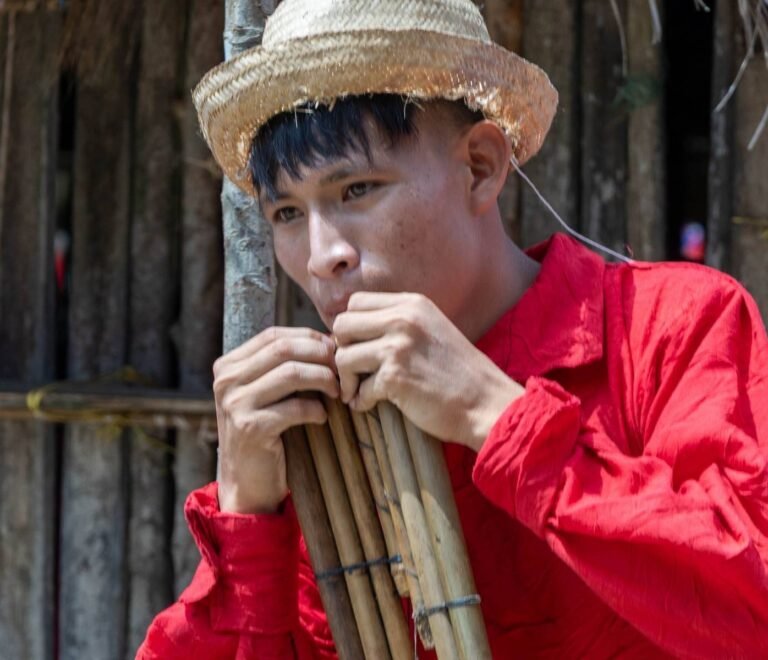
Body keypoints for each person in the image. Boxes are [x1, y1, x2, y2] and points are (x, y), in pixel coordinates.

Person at [138, 0, 768, 657]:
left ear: (481, 166)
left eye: (356, 190)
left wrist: (494, 416)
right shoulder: (317, 443)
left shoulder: (671, 328)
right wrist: (246, 516)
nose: (323, 255)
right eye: (288, 213)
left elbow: (753, 612)